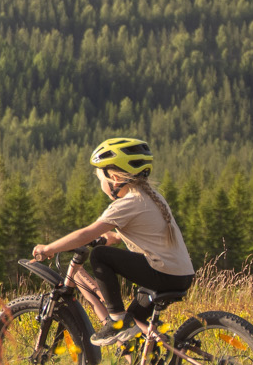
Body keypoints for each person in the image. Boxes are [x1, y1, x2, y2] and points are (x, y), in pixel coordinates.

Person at [30, 135, 195, 343]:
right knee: (135, 324)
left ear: (115, 179)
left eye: (101, 180)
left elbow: (86, 233)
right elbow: (149, 230)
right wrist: (115, 237)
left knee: (100, 255)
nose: (101, 184)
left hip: (163, 273)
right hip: (180, 274)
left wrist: (49, 248)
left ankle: (116, 320)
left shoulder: (127, 203)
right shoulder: (151, 196)